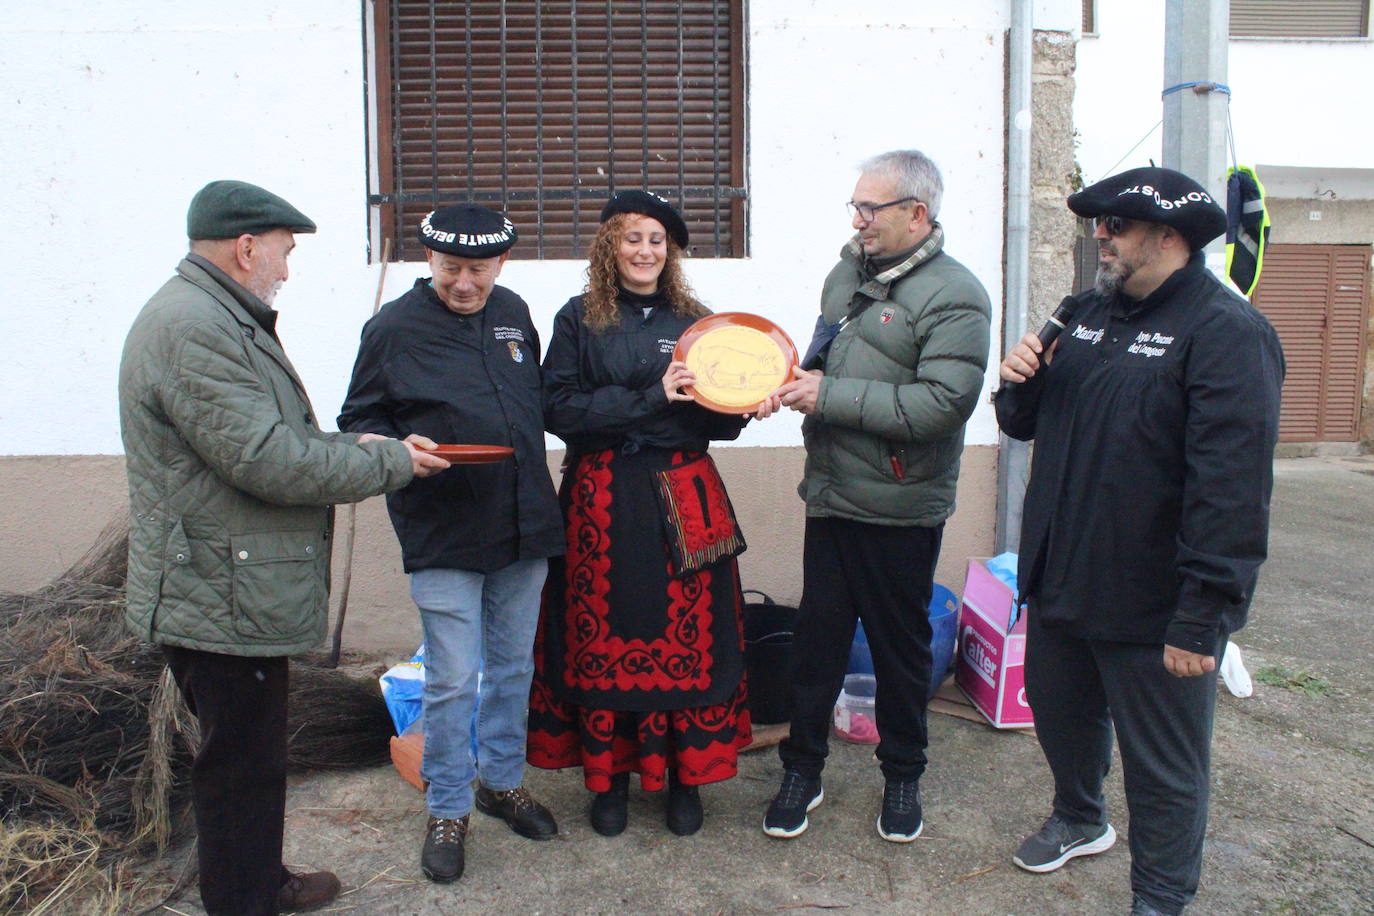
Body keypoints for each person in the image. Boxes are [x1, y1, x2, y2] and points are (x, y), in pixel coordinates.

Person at [118, 179, 449, 916]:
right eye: (284, 251)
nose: (287, 267)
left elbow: (267, 438)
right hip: (217, 588)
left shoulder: (214, 317)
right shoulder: (195, 328)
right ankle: (244, 899)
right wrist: (390, 463)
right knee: (240, 762)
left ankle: (256, 879)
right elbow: (267, 461)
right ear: (245, 247)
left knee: (249, 755)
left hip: (225, 581)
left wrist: (359, 443)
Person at [994, 166, 1284, 916]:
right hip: (1061, 578)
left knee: (1165, 767)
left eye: (1116, 225)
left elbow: (1231, 493)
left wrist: (1204, 615)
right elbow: (1025, 425)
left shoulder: (1227, 335)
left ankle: (1160, 896)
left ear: (1169, 237)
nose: (1101, 235)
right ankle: (1081, 816)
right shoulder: (1085, 312)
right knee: (1060, 715)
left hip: (1154, 602)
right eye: (1098, 223)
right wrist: (1019, 382)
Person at [762, 150, 991, 843]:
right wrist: (783, 380)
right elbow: (825, 356)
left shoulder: (957, 295)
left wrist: (827, 394)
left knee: (900, 652)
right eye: (855, 207)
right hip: (831, 495)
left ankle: (903, 777)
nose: (858, 220)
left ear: (916, 215)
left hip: (898, 505)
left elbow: (942, 405)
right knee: (816, 647)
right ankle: (802, 769)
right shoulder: (846, 275)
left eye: (871, 208)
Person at [338, 204, 564, 883]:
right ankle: (447, 806)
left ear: (501, 264)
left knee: (513, 667)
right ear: (428, 261)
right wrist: (397, 446)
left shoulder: (514, 311)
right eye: (451, 269)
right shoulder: (392, 328)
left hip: (524, 519)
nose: (465, 283)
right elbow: (360, 420)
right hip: (443, 525)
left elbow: (539, 400)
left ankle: (501, 782)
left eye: (479, 269)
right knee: (452, 679)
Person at [526, 190, 753, 837]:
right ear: (610, 246)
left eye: (657, 240)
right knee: (603, 639)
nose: (645, 251)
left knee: (692, 638)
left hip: (686, 495)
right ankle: (610, 781)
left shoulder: (700, 323)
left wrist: (740, 401)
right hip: (601, 498)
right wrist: (654, 396)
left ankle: (686, 779)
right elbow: (560, 411)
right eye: (632, 238)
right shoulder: (578, 320)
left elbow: (722, 425)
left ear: (670, 251)